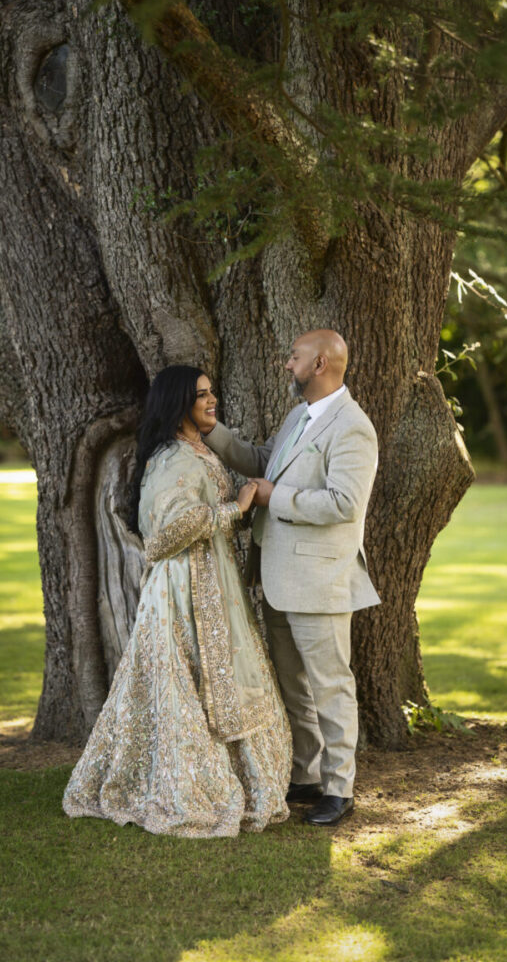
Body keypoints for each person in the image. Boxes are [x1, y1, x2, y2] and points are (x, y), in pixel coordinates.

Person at [63, 366, 292, 838]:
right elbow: (164, 538)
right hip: (182, 589)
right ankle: (186, 784)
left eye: (212, 393)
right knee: (186, 686)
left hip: (215, 583)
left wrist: (241, 513)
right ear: (179, 404)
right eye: (201, 396)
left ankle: (241, 777)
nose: (212, 402)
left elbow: (208, 515)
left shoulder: (198, 449)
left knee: (215, 682)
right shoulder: (172, 458)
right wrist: (237, 508)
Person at [204, 330, 380, 826]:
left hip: (320, 581)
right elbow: (263, 461)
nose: (287, 364)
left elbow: (344, 504)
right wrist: (211, 430)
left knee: (330, 686)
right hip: (278, 576)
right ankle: (306, 775)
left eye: (295, 357)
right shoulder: (299, 416)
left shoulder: (353, 428)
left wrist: (271, 499)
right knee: (293, 685)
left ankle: (340, 789)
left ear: (320, 363)